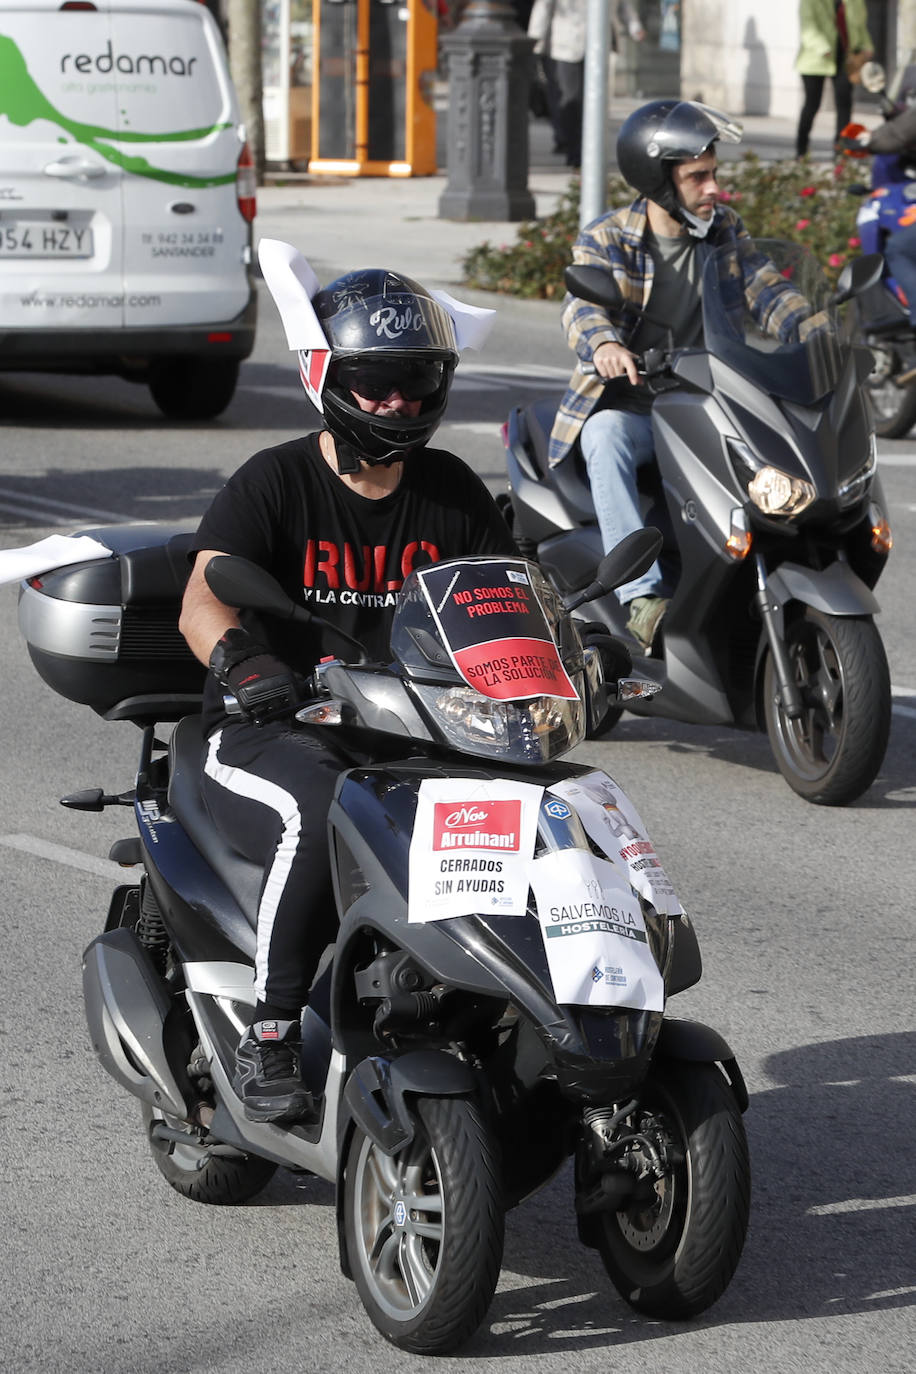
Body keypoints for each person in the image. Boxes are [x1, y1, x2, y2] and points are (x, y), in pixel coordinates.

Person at [178, 246, 514, 1124]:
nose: (398, 402)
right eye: (378, 384)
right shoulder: (276, 480)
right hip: (267, 731)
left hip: (414, 730)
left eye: (414, 381)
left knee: (543, 806)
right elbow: (204, 595)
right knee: (325, 800)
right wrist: (244, 663)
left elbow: (507, 600)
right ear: (328, 377)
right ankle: (274, 1030)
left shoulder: (451, 491)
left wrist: (579, 649)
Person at [549, 99, 814, 653]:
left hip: (712, 400)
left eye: (713, 174)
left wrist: (815, 331)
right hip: (638, 404)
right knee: (604, 437)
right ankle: (642, 598)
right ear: (658, 180)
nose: (712, 187)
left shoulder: (722, 230)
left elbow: (766, 290)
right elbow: (582, 307)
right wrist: (605, 346)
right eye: (698, 176)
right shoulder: (608, 237)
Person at [527, 0, 644, 169]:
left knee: (596, 102)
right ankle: (573, 148)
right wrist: (535, 41)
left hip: (599, 46)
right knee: (571, 98)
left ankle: (589, 150)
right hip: (565, 46)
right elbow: (544, 6)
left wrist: (635, 26)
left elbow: (623, 5)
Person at [795, 0, 872, 158]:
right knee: (812, 104)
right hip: (815, 58)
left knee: (844, 103)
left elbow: (860, 27)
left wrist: (867, 46)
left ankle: (841, 149)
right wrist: (823, 48)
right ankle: (801, 149)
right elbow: (808, 29)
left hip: (845, 58)